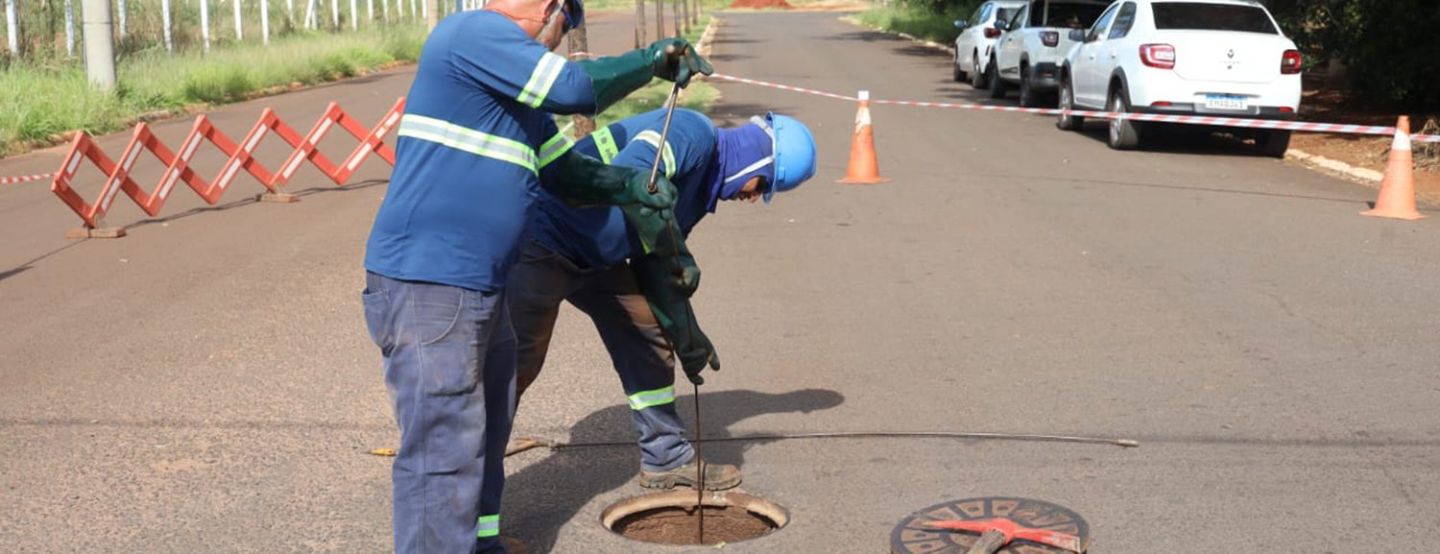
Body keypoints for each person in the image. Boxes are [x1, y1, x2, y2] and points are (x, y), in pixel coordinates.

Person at [358, 0, 712, 549]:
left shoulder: (518, 100)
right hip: (430, 281)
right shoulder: (472, 33)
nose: (559, 39)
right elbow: (574, 87)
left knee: (486, 428)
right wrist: (652, 60)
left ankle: (482, 543)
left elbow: (567, 175)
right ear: (548, 10)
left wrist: (628, 189)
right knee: (443, 450)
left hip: (481, 285)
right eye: (565, 26)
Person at [509, 108, 818, 490]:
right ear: (759, 161)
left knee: (648, 338)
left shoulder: (701, 187)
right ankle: (468, 501)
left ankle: (666, 458)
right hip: (543, 236)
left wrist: (686, 330)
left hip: (595, 257)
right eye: (762, 185)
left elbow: (653, 260)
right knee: (512, 366)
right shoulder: (693, 132)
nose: (752, 197)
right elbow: (635, 173)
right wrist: (677, 252)